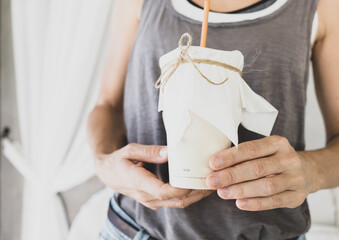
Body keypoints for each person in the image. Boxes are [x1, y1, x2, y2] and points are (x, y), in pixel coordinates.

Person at [87, 0, 339, 239]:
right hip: (137, 229)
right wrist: (104, 163)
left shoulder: (322, 6)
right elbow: (107, 105)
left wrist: (311, 170)